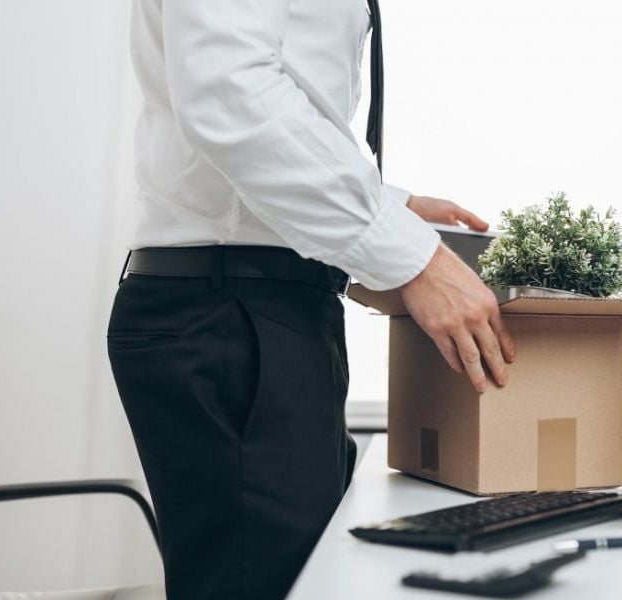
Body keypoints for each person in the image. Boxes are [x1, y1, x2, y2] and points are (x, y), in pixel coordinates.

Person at [108, 1, 516, 598]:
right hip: (232, 310)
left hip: (264, 302)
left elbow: (287, 91)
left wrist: (385, 202)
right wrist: (415, 259)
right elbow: (230, 89)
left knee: (299, 576)